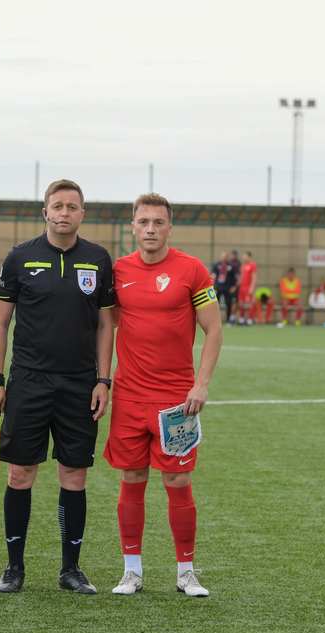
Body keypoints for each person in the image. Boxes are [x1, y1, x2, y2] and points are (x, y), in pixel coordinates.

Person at [0, 179, 115, 594]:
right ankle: (14, 567)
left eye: (71, 207)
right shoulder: (20, 257)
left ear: (82, 213)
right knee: (21, 473)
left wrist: (103, 380)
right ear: (45, 211)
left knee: (74, 474)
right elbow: (0, 323)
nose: (64, 213)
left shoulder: (97, 259)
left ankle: (70, 569)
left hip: (79, 383)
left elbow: (106, 326)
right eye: (57, 206)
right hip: (28, 380)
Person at [104, 193, 222, 598]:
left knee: (178, 479)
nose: (150, 229)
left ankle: (186, 572)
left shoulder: (193, 270)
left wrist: (201, 384)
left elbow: (214, 330)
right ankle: (131, 571)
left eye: (158, 222)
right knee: (132, 477)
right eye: (143, 222)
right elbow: (105, 326)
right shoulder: (118, 271)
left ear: (170, 227)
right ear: (133, 227)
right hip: (129, 396)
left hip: (176, 398)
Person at [210, 251, 238, 324]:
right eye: (222, 256)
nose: (224, 258)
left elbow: (234, 278)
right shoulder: (216, 265)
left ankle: (228, 319)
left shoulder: (231, 266)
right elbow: (213, 275)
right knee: (215, 303)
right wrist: (212, 285)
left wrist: (234, 286)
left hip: (227, 287)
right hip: (218, 287)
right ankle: (214, 319)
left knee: (228, 303)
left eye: (225, 256)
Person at [236, 251, 258, 325]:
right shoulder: (243, 266)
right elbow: (241, 277)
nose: (244, 258)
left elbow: (254, 277)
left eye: (245, 256)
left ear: (249, 257)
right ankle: (241, 319)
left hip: (248, 287)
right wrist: (238, 284)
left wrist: (252, 288)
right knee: (241, 303)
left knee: (248, 304)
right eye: (243, 256)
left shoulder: (253, 265)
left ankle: (249, 319)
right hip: (242, 288)